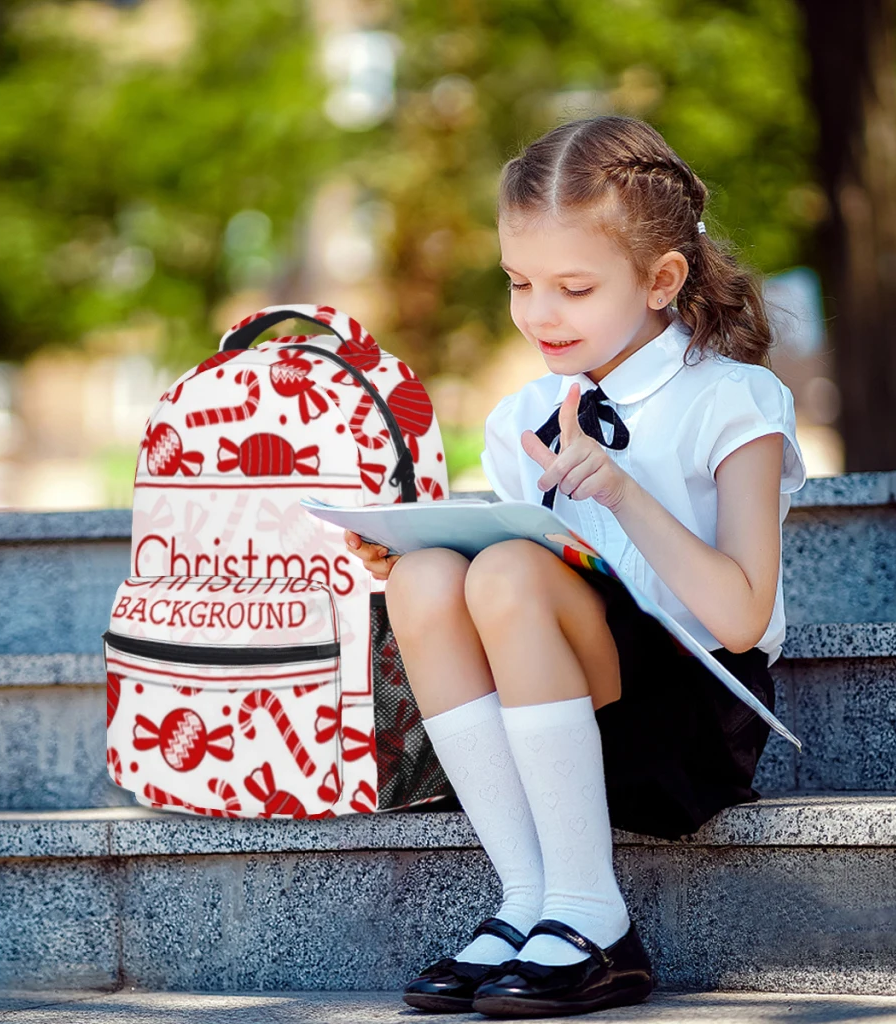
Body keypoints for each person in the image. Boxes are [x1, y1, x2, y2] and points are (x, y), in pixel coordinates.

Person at [344, 113, 807, 1018]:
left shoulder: (734, 401)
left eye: (574, 287)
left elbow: (743, 617)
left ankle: (593, 918)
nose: (538, 313)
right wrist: (415, 541)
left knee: (511, 572)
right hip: (554, 724)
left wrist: (624, 493)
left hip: (687, 720)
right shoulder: (524, 411)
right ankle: (529, 904)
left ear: (662, 280)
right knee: (428, 576)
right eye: (519, 282)